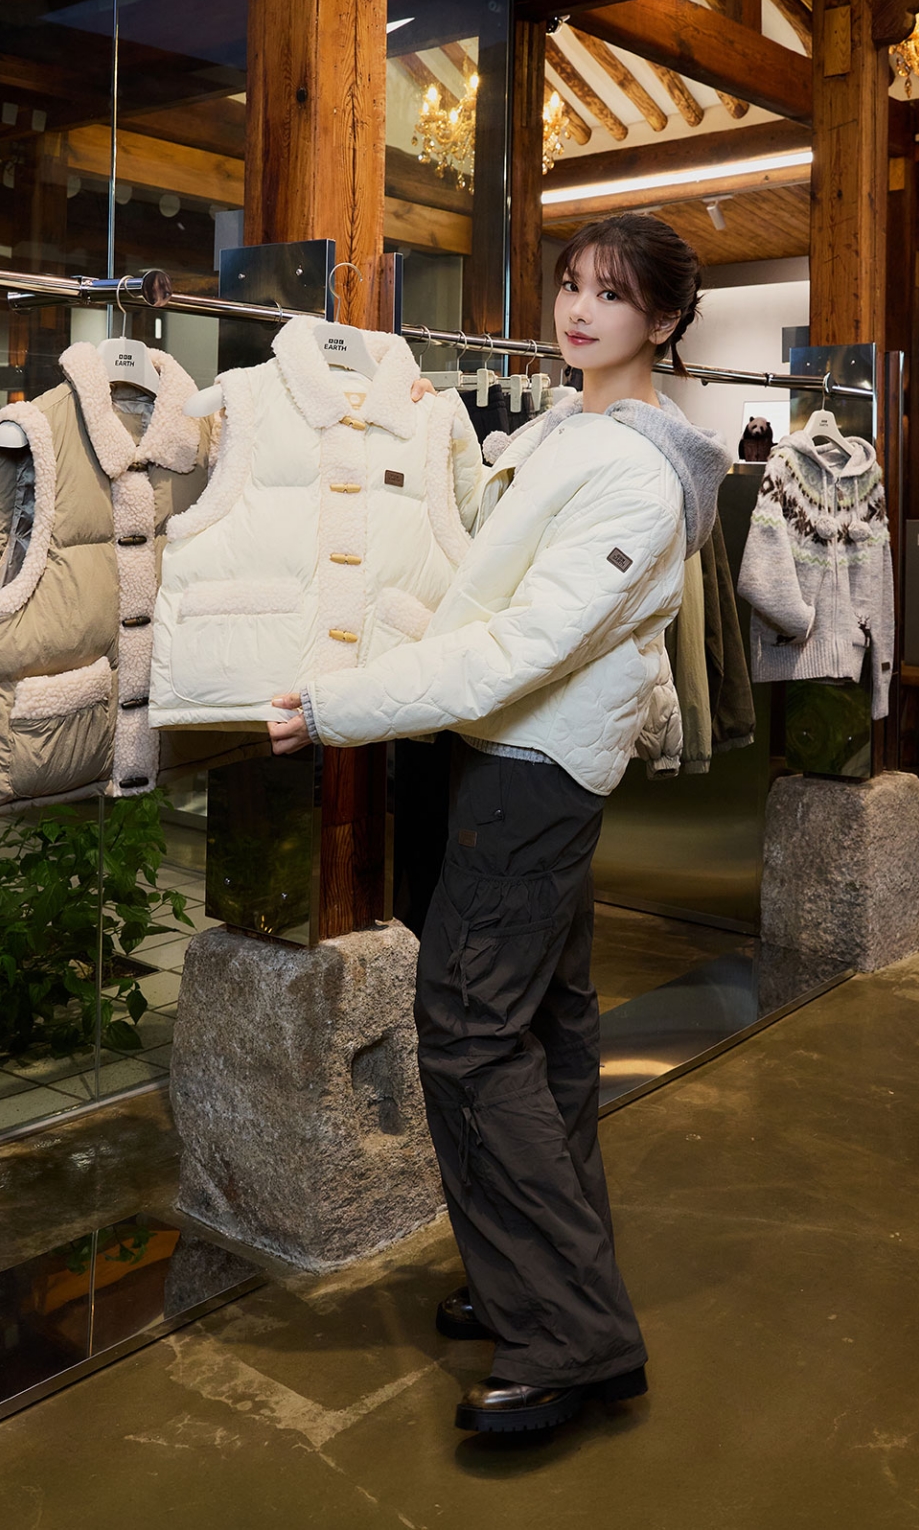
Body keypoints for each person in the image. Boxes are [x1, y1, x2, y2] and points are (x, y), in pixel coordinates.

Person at [268, 212, 730, 1435]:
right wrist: (446, 439)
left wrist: (337, 707)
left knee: (471, 1033)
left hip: (533, 769)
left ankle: (571, 1336)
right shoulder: (570, 427)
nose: (579, 310)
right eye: (572, 284)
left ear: (664, 320)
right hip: (509, 760)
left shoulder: (637, 469)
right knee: (545, 1028)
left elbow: (526, 641)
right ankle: (531, 1280)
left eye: (612, 295)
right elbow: (500, 551)